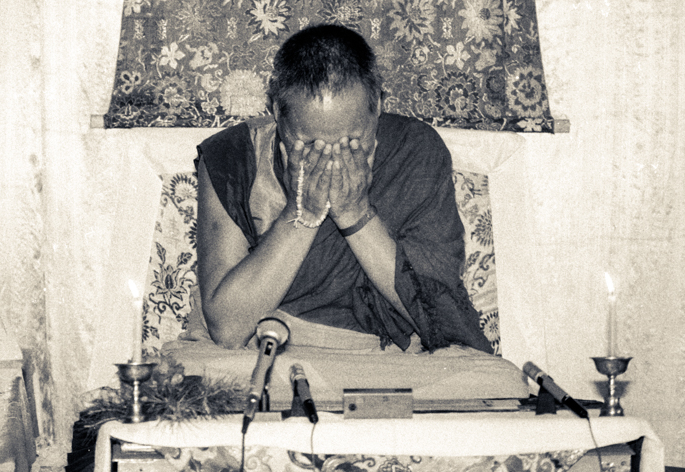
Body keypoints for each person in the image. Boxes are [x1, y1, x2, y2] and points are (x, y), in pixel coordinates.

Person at [195, 24, 492, 353]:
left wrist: (356, 214)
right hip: (267, 348)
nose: (333, 161)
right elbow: (227, 329)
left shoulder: (415, 150)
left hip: (384, 360)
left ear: (377, 102)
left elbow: (440, 316)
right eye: (310, 146)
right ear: (277, 110)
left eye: (353, 144)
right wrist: (301, 213)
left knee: (492, 384)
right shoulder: (234, 157)